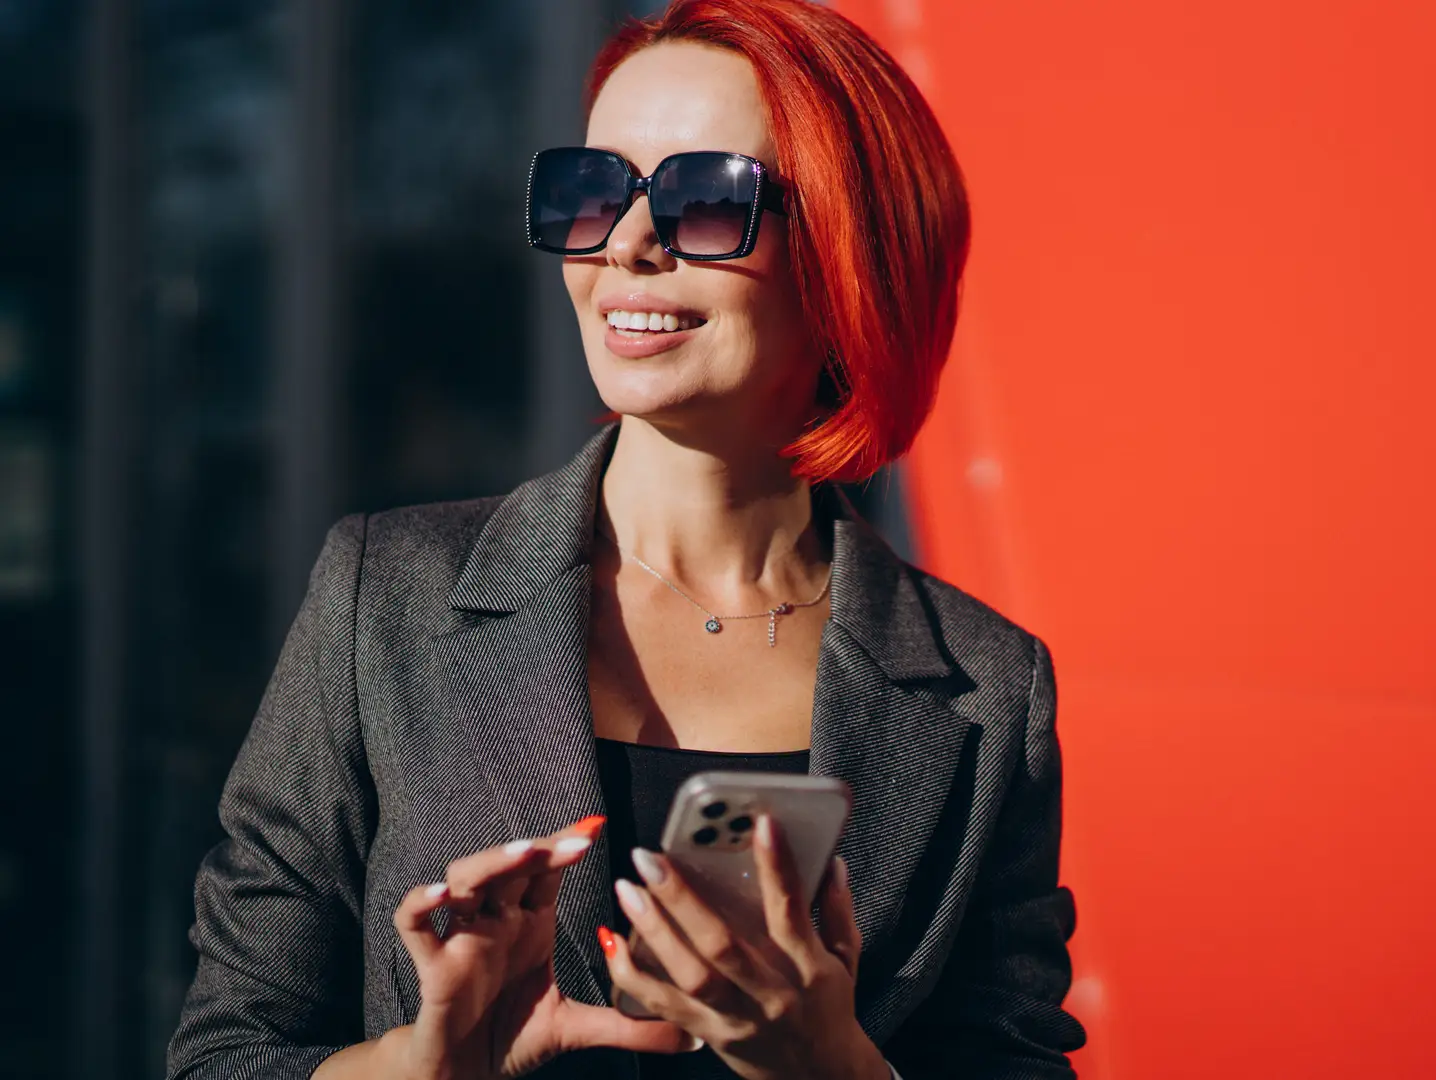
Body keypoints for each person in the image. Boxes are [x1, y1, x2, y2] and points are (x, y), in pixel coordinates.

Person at [163, 1, 1085, 1078]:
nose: (627, 244)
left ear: (849, 252)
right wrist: (419, 1066)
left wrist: (832, 1063)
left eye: (703, 201)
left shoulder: (986, 687)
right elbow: (224, 1054)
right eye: (591, 192)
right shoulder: (385, 599)